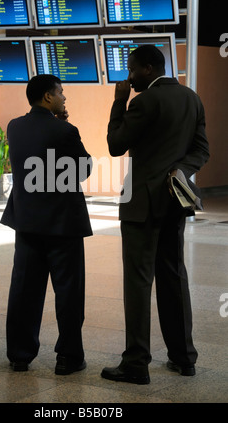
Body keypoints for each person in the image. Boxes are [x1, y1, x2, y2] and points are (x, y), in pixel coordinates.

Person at [101, 45, 210, 385]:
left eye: (131, 70)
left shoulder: (143, 101)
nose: (128, 77)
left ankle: (136, 363)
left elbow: (116, 144)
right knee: (173, 276)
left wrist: (119, 102)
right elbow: (201, 150)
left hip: (141, 205)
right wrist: (179, 171)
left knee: (138, 282)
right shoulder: (192, 98)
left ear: (147, 69)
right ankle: (183, 358)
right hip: (175, 203)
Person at [1, 74, 92, 374]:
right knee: (68, 292)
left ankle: (19, 355)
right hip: (62, 224)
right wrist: (64, 123)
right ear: (48, 97)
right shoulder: (64, 130)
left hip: (27, 223)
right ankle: (68, 357)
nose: (64, 98)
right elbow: (84, 170)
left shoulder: (14, 127)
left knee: (24, 290)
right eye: (61, 93)